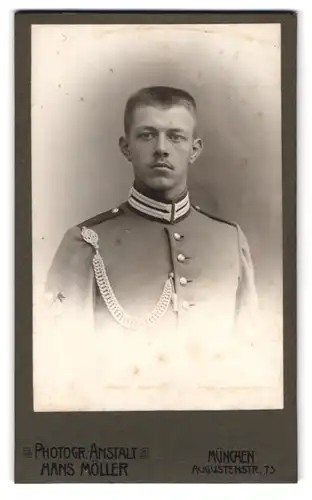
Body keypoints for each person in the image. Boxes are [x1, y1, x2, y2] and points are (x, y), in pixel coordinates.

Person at [45, 86, 257, 340]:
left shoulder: (230, 240)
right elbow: (62, 361)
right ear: (126, 148)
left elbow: (249, 353)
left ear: (195, 149)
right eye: (147, 135)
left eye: (176, 136)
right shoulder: (86, 243)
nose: (161, 149)